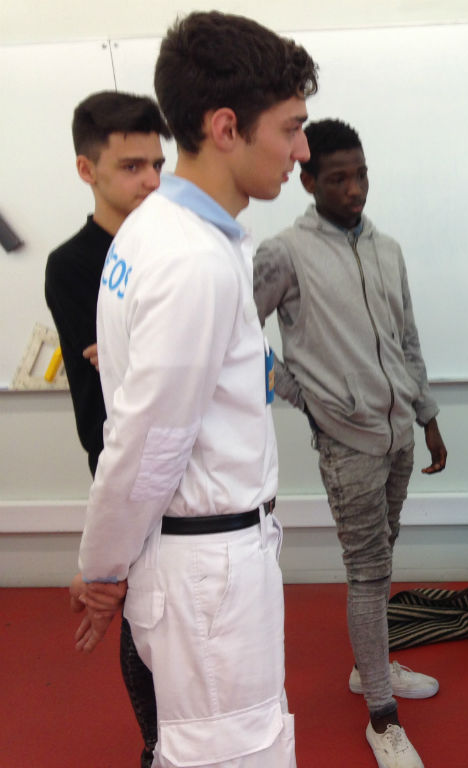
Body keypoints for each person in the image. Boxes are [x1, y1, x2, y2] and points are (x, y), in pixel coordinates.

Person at [72, 11, 318, 768]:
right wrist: (102, 568)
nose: (302, 151)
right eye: (291, 128)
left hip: (196, 554)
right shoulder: (194, 261)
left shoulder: (158, 227)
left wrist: (109, 560)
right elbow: (147, 443)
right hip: (209, 572)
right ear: (225, 128)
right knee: (237, 755)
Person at [253, 118, 447, 768]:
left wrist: (427, 416)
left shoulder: (386, 249)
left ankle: (371, 670)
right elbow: (236, 331)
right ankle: (382, 719)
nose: (355, 189)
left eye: (361, 175)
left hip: (398, 435)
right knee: (367, 572)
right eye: (338, 178)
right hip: (347, 444)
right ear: (307, 182)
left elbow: (407, 337)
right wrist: (304, 396)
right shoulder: (284, 253)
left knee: (382, 560)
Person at [47, 89, 169, 768]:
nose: (151, 180)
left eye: (157, 164)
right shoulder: (71, 265)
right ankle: (155, 745)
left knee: (175, 613)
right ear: (86, 170)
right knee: (136, 609)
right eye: (131, 166)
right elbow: (108, 372)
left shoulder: (173, 246)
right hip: (118, 457)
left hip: (179, 456)